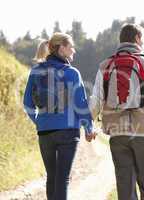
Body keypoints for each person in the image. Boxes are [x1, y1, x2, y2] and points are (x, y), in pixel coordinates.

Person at [90, 23, 144, 200]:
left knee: (125, 191)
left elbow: (95, 101)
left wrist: (89, 126)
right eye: (143, 39)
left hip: (118, 134)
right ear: (137, 38)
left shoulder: (105, 65)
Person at [23, 33, 96, 200]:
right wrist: (89, 128)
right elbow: (81, 105)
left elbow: (28, 104)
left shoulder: (35, 71)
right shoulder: (71, 73)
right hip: (68, 132)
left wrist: (39, 122)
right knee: (62, 179)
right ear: (61, 48)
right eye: (71, 46)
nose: (74, 50)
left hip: (45, 133)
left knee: (52, 177)